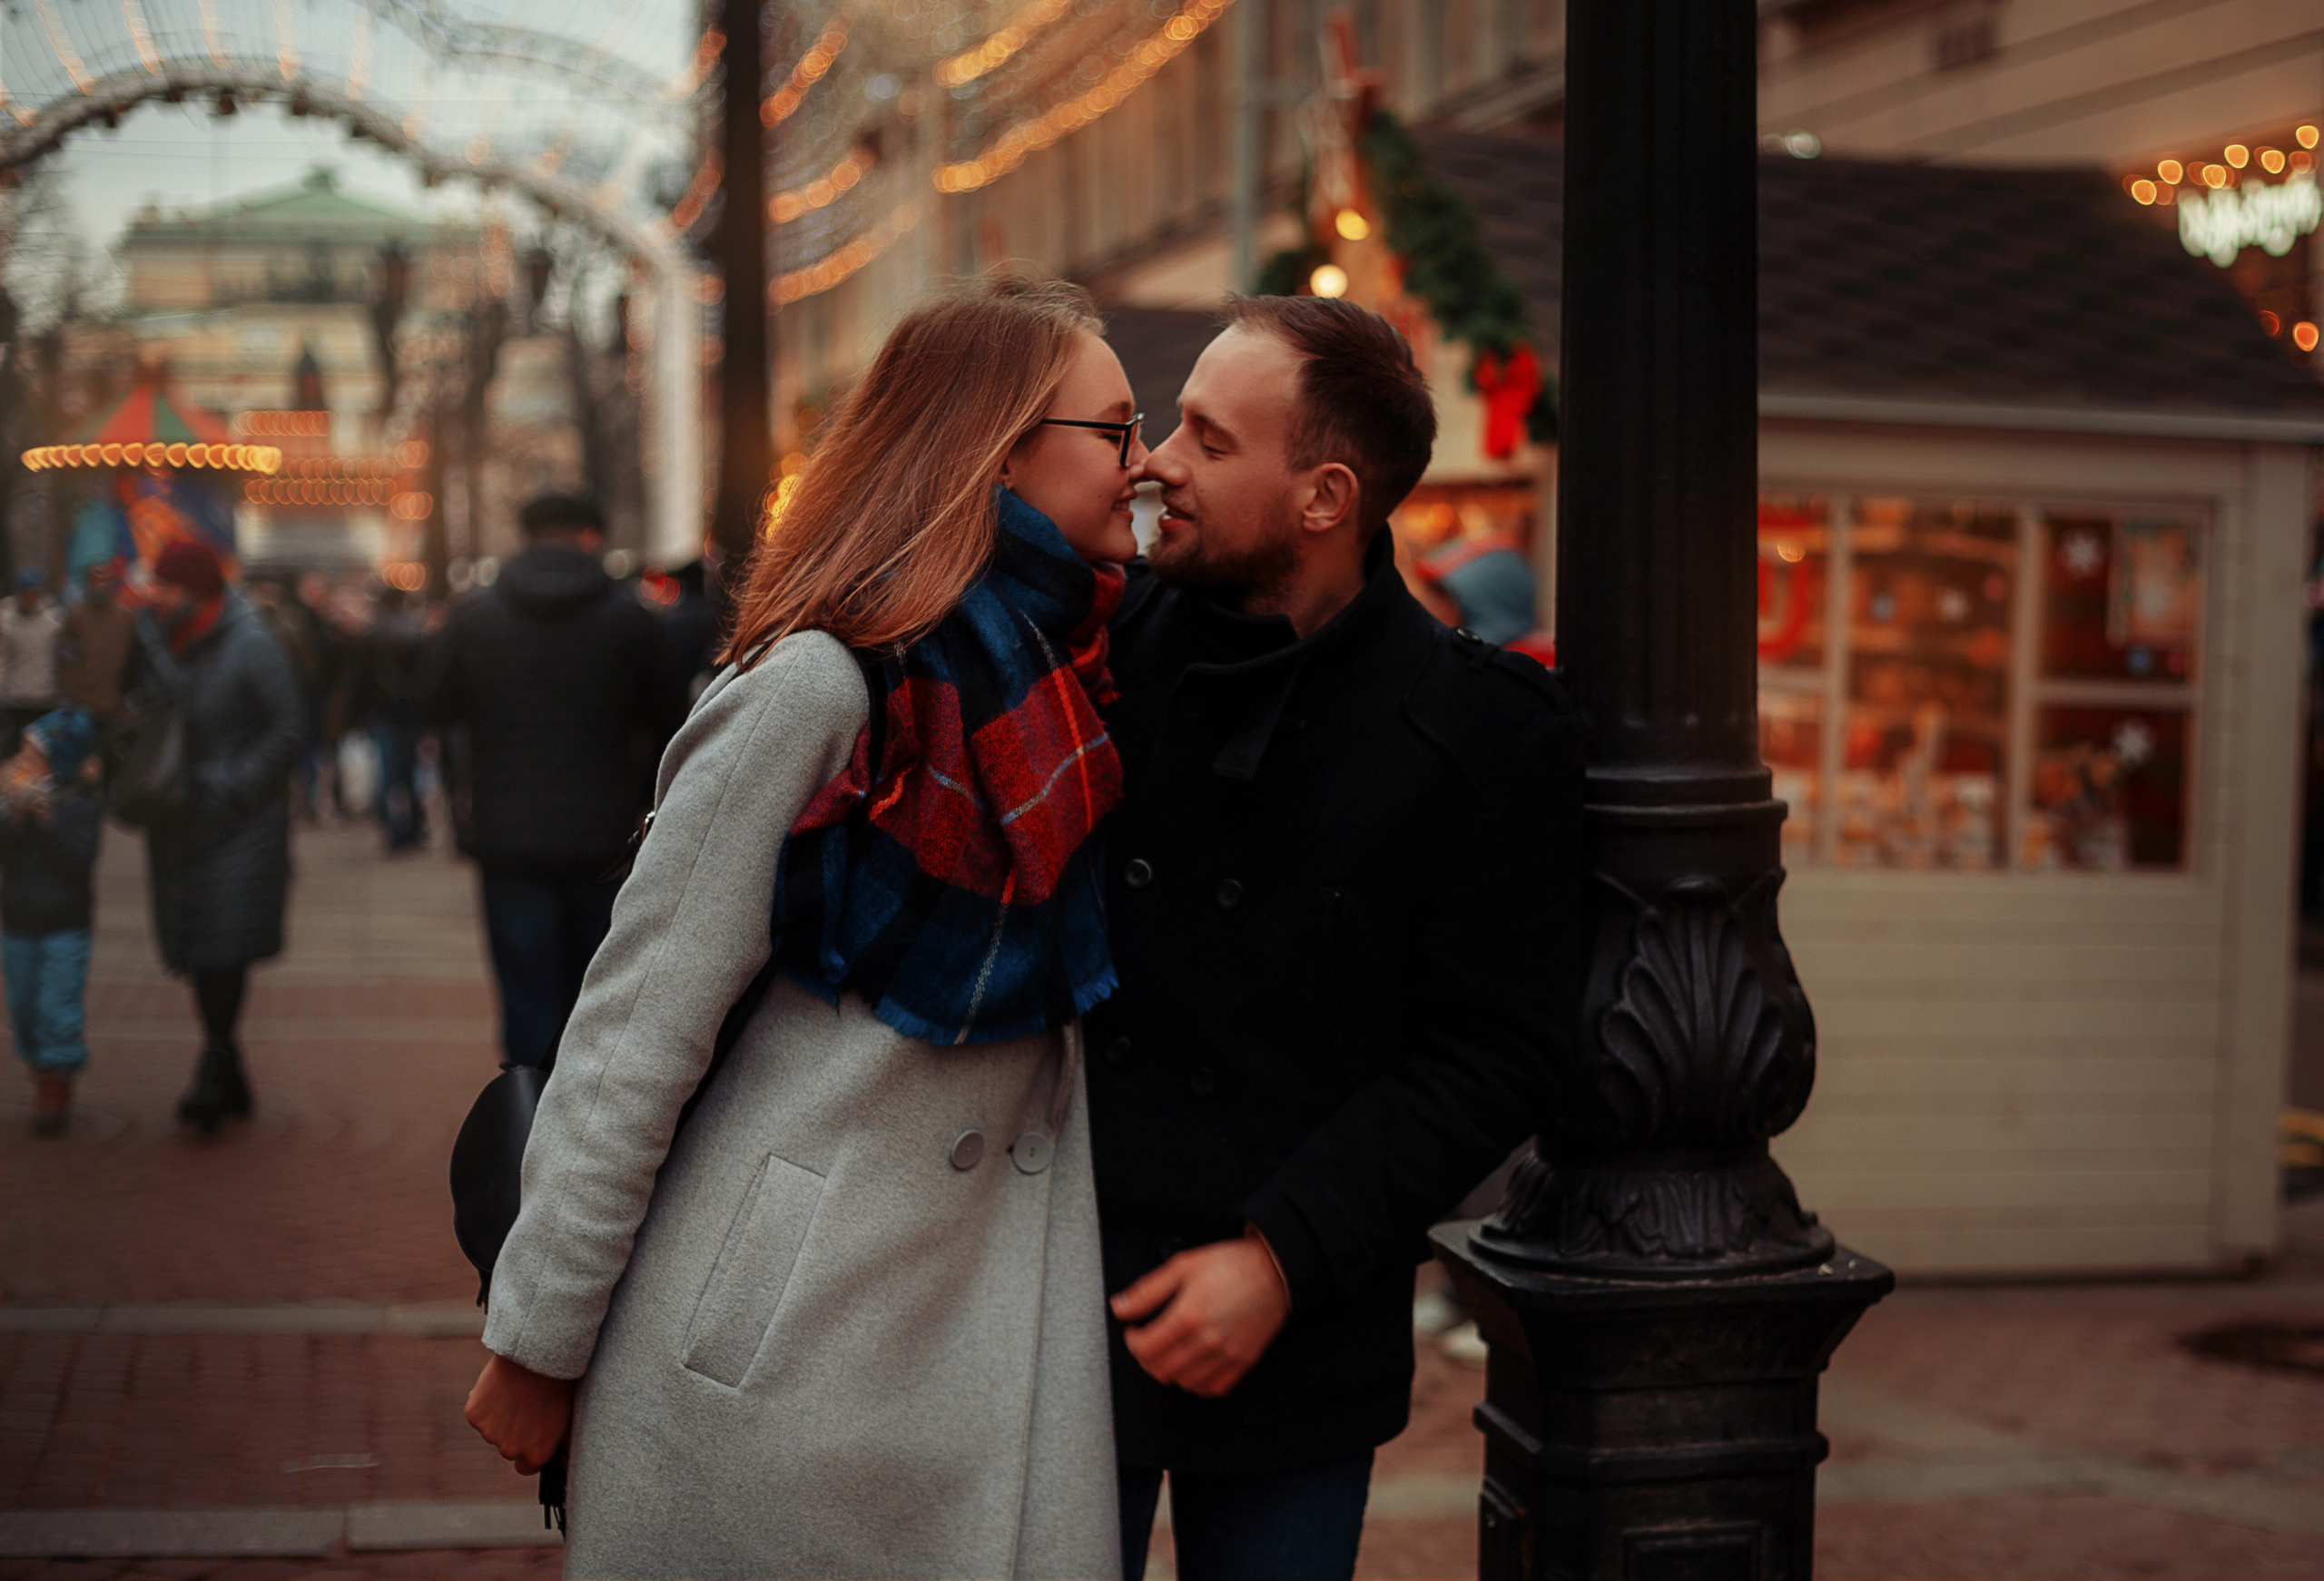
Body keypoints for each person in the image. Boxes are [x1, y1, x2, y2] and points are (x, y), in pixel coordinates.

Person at [461, 280, 1142, 1578]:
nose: (1145, 460)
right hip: (782, 1365)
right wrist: (538, 1335)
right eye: (1116, 429)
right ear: (999, 446)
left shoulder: (1073, 674)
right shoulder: (823, 685)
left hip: (979, 1339)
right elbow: (634, 1029)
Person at [1088, 296, 1586, 1580]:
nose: (1156, 462)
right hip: (1053, 1292)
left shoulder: (1483, 733)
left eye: (1206, 436)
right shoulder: (1095, 650)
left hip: (1298, 1324)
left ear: (1323, 495)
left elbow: (1496, 1051)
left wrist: (1280, 1256)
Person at [418, 496, 686, 1068]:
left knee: (524, 991)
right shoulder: (629, 617)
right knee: (595, 990)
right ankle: (582, 1128)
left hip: (507, 830)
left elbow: (431, 700)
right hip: (604, 834)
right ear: (591, 535)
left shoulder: (475, 615)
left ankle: (524, 1120)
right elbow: (671, 720)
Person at [134, 538, 305, 1134]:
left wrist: (232, 786)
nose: (156, 596)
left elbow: (287, 730)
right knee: (194, 946)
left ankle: (211, 1067)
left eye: (167, 586)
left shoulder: (251, 642)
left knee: (222, 947)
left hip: (239, 826)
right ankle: (227, 1065)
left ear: (198, 590)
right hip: (178, 820)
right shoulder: (161, 644)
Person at [0, 708, 101, 1136]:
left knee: (56, 1005)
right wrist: (15, 818)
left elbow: (80, 859)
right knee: (23, 1005)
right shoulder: (12, 804)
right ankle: (39, 1062)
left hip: (65, 922)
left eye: (33, 756)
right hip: (18, 920)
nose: (23, 764)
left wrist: (49, 819)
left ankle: (56, 1079)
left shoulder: (79, 803)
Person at [364, 586, 428, 853]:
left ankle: (392, 826)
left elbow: (362, 676)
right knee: (411, 769)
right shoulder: (414, 630)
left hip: (382, 709)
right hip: (411, 709)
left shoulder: (372, 632)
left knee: (388, 770)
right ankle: (412, 826)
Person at [58, 565, 139, 720]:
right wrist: (71, 692)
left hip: (117, 703)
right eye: (95, 580)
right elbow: (65, 659)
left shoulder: (127, 619)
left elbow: (136, 661)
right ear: (88, 583)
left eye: (104, 580)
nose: (100, 585)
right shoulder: (75, 618)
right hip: (83, 703)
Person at [0, 570, 66, 757]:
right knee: (14, 750)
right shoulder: (6, 622)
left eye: (34, 594)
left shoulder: (54, 621)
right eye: (26, 594)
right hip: (16, 698)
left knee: (43, 751)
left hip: (45, 696)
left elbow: (65, 655)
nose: (30, 599)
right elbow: (3, 658)